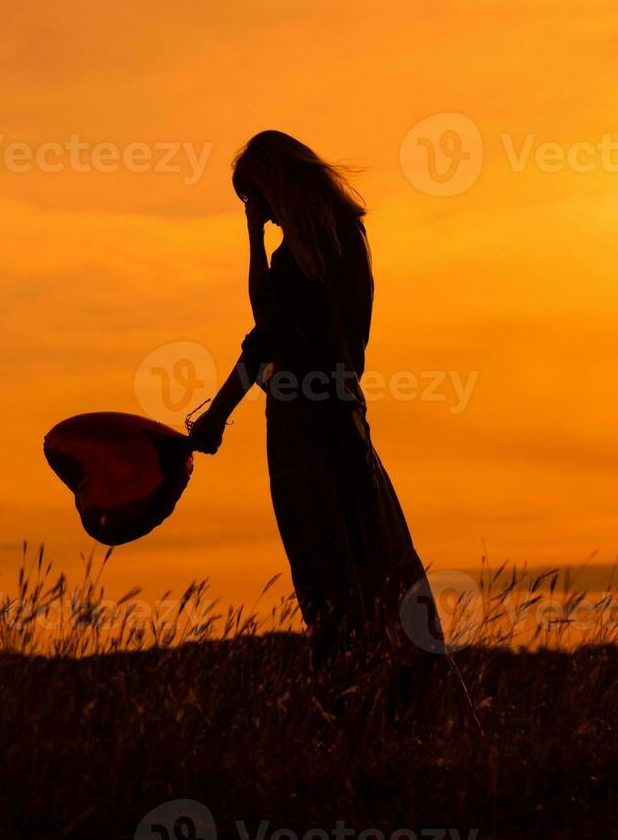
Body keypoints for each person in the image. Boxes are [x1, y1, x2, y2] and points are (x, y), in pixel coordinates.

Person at [189, 131, 441, 678]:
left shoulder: (311, 251)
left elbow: (266, 333)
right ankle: (385, 695)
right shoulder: (339, 239)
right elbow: (269, 341)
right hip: (342, 417)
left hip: (309, 426)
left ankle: (355, 697)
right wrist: (218, 414)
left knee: (330, 573)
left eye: (256, 199)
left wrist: (252, 241)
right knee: (373, 565)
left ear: (276, 183)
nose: (262, 215)